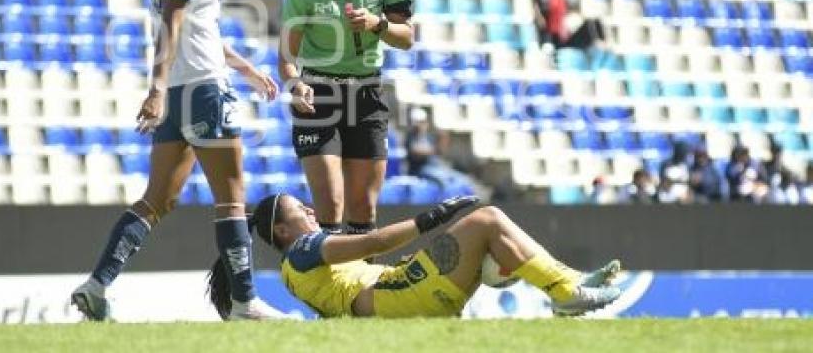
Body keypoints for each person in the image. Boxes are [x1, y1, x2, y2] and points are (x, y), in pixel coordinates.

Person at [70, 0, 284, 321]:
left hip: (183, 92)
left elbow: (194, 26)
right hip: (202, 90)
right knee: (231, 198)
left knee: (157, 200)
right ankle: (245, 302)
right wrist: (156, 87)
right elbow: (173, 19)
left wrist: (246, 68)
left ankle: (97, 284)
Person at [208, 194, 623, 318]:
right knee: (488, 218)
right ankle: (565, 290)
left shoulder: (296, 267)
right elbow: (373, 243)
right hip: (400, 295)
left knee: (492, 232)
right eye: (303, 210)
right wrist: (432, 218)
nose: (313, 213)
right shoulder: (302, 249)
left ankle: (567, 285)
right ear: (283, 230)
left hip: (398, 298)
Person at [278, 0, 415, 236]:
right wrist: (295, 84)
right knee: (330, 203)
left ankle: (361, 286)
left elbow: (407, 38)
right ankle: (327, 285)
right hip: (318, 96)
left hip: (367, 94)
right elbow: (286, 56)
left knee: (363, 208)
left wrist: (378, 24)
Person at [405, 106, 475, 190]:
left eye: (423, 122)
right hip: (420, 170)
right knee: (443, 181)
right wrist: (435, 149)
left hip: (435, 166)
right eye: (420, 122)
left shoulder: (428, 137)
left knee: (461, 178)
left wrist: (444, 138)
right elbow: (417, 152)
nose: (422, 125)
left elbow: (440, 152)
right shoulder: (411, 138)